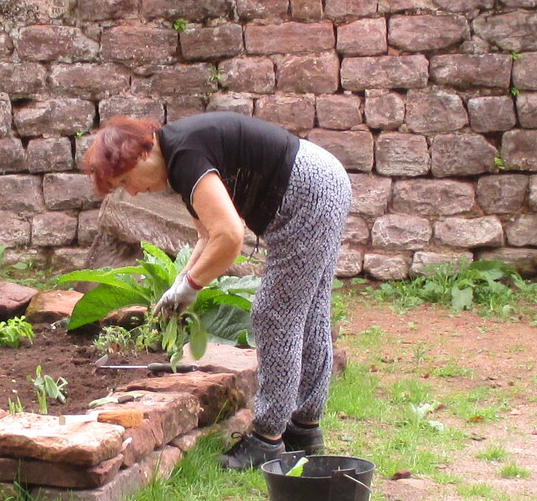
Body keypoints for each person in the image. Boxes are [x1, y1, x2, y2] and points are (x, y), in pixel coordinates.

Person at [83, 111, 352, 471]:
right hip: (322, 179)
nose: (131, 191)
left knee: (275, 314)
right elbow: (207, 235)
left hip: (309, 192)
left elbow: (229, 236)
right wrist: (181, 282)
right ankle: (304, 430)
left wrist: (192, 285)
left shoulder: (186, 157)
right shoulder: (180, 156)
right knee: (310, 311)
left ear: (142, 154)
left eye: (126, 180)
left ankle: (268, 439)